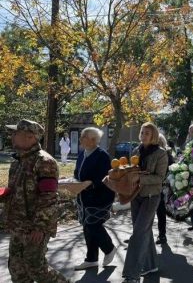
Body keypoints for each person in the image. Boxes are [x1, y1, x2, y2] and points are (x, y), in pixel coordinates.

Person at [4, 119, 70, 283]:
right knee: (17, 269)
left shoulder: (45, 162)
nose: (11, 136)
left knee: (36, 268)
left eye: (15, 133)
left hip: (36, 226)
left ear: (30, 137)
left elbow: (48, 197)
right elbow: (15, 192)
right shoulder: (18, 162)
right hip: (18, 224)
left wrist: (40, 227)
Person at [122, 122, 168, 282]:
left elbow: (160, 178)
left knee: (138, 233)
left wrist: (140, 178)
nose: (143, 135)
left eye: (147, 133)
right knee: (143, 231)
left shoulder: (161, 153)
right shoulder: (136, 150)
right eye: (142, 132)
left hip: (151, 197)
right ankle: (151, 265)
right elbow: (132, 171)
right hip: (135, 196)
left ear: (153, 135)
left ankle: (131, 274)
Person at [73, 127, 117, 270]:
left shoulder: (102, 156)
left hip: (100, 197)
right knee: (87, 226)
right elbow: (76, 172)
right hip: (84, 196)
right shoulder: (82, 153)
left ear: (93, 140)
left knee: (93, 225)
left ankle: (109, 248)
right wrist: (72, 181)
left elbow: (104, 178)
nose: (81, 138)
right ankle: (91, 259)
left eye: (83, 136)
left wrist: (90, 184)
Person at [154, 134, 175, 245]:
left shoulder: (166, 154)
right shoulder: (149, 152)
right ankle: (139, 234)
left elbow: (172, 169)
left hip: (162, 187)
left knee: (160, 212)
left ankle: (162, 235)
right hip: (150, 186)